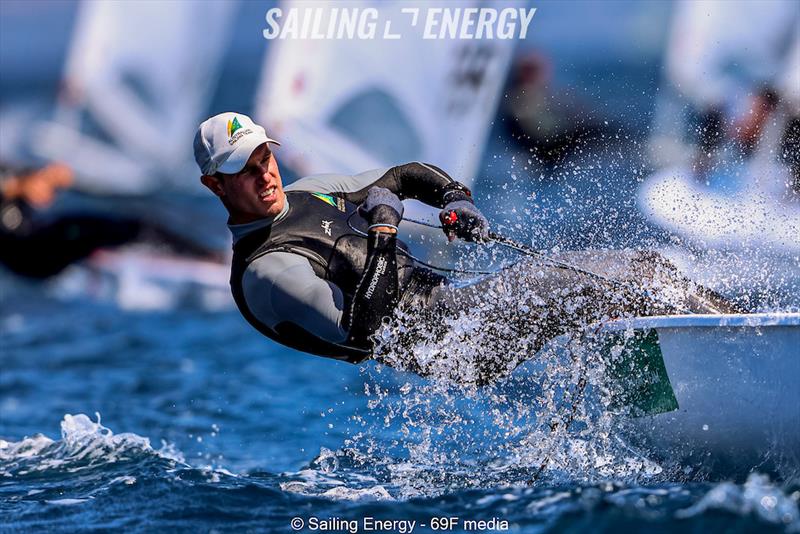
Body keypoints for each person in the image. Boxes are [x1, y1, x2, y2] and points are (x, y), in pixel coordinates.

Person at [196, 112, 737, 385]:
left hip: (462, 308)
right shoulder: (267, 272)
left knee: (635, 278)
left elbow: (404, 174)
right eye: (241, 169)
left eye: (263, 155)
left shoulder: (307, 191)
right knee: (616, 277)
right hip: (452, 342)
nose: (262, 173)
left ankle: (690, 384)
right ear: (215, 186)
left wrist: (456, 199)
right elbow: (365, 329)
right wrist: (385, 231)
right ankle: (751, 340)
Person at [0, 162, 215, 279]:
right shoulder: (10, 187)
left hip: (41, 248)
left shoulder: (15, 191)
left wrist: (41, 176)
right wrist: (25, 182)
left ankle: (200, 255)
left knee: (131, 225)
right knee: (135, 227)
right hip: (32, 255)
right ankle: (206, 257)